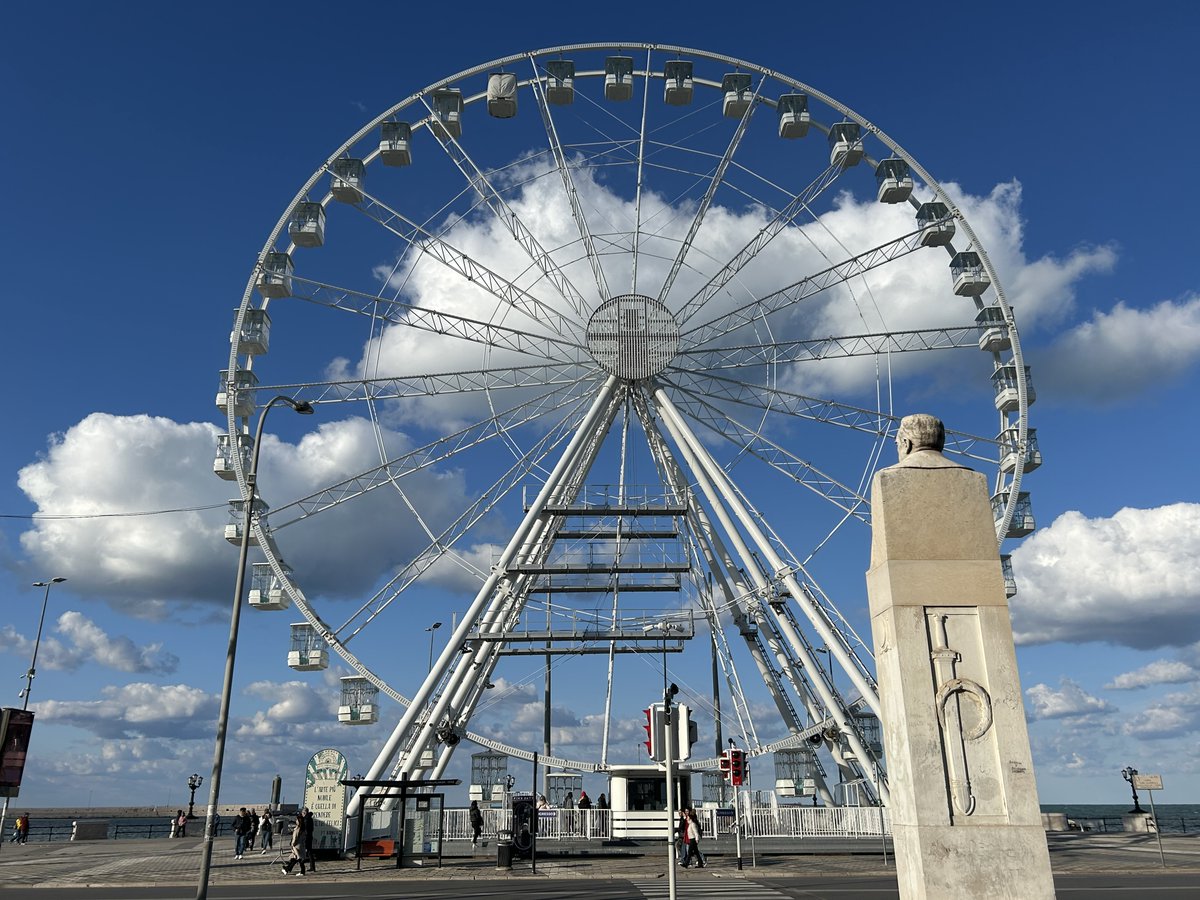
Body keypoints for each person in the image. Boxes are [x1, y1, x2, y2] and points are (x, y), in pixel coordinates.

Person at [302, 808, 317, 872]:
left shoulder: (306, 819)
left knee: (304, 852)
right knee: (309, 852)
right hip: (310, 836)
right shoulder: (310, 818)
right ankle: (312, 867)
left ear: (304, 813)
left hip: (306, 837)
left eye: (302, 813)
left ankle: (302, 866)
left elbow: (305, 829)